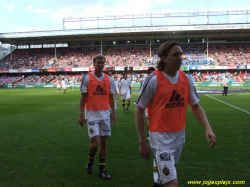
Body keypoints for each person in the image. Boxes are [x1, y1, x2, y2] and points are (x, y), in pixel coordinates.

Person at [134, 41, 216, 187]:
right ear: (164, 58)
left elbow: (195, 106)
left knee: (161, 179)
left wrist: (208, 128)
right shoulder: (153, 79)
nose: (180, 58)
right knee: (172, 183)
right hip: (160, 139)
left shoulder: (186, 78)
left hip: (179, 137)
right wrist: (142, 142)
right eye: (175, 54)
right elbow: (139, 109)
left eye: (181, 54)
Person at [78, 54, 116, 179]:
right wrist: (81, 114)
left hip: (105, 115)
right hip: (92, 115)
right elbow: (83, 97)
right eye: (98, 62)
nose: (100, 64)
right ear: (93, 64)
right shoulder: (87, 78)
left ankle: (102, 168)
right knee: (95, 144)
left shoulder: (109, 79)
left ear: (104, 64)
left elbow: (111, 96)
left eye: (102, 63)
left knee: (104, 143)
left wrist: (114, 112)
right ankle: (90, 160)